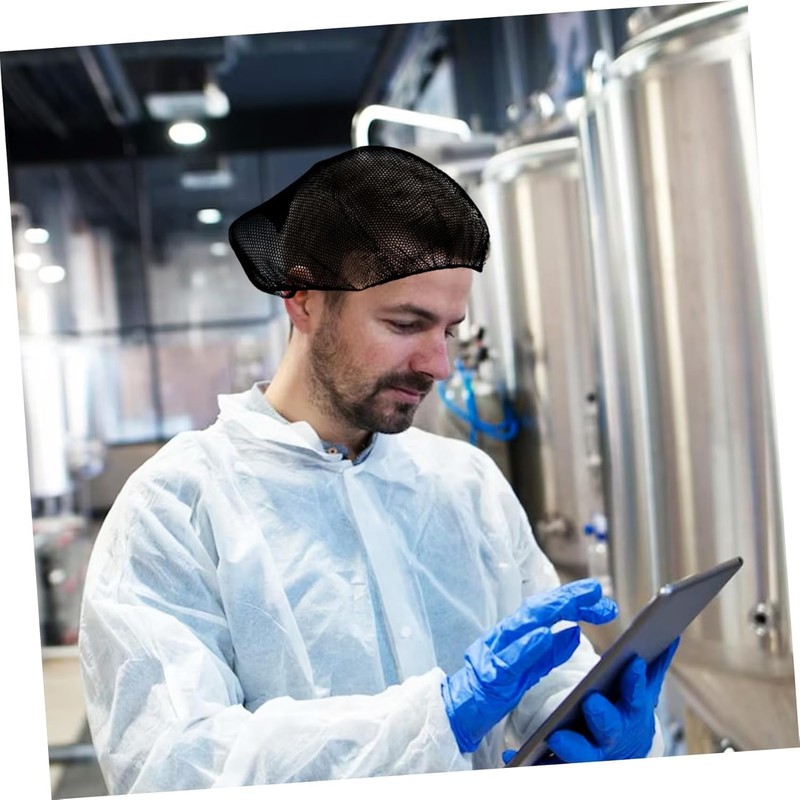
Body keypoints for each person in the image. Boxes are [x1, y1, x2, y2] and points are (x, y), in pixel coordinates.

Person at [78, 145, 676, 793]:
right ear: (303, 298)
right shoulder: (177, 507)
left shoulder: (465, 485)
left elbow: (541, 687)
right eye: (406, 323)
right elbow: (173, 766)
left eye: (448, 329)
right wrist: (435, 720)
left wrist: (594, 716)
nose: (438, 364)